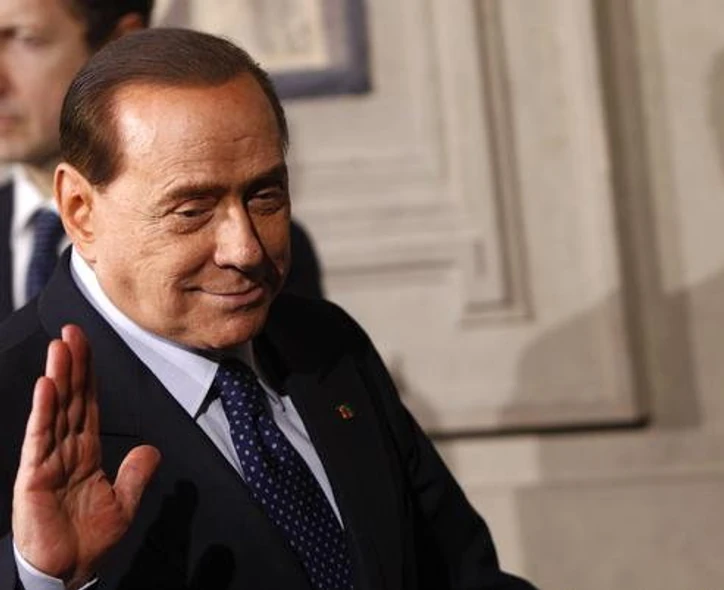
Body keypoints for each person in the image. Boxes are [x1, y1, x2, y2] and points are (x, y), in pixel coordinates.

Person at [0, 28, 535, 590]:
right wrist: (46, 581)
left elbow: (460, 575)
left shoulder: (326, 344)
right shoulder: (13, 401)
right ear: (80, 211)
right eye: (192, 210)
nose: (246, 250)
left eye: (265, 196)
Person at [0, 0, 322, 319]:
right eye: (192, 211)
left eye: (26, 39)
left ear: (121, 42)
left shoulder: (261, 254)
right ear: (76, 208)